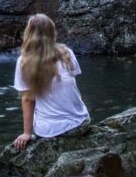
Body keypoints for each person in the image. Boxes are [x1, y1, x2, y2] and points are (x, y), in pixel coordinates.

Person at [12, 13, 90, 151]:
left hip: (48, 131)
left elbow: (28, 100)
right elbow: (69, 86)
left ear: (28, 34)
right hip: (79, 124)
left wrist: (26, 133)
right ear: (52, 32)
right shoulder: (67, 53)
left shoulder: (23, 62)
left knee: (36, 105)